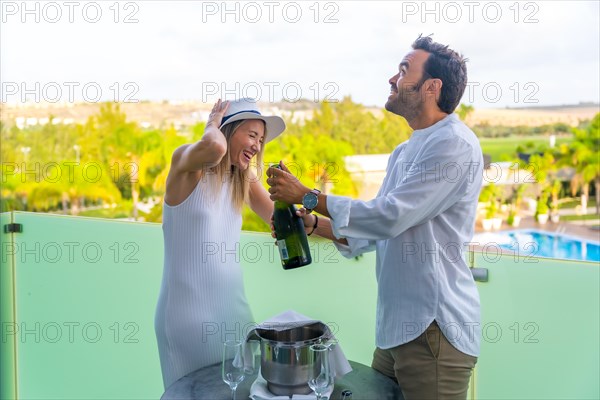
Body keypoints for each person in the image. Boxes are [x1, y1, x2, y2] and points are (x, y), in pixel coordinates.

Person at [267, 36, 483, 399]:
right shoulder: (404, 151)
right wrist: (314, 224)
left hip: (434, 333)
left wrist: (307, 195)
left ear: (432, 87)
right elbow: (375, 232)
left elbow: (390, 217)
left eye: (403, 70)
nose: (392, 79)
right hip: (397, 332)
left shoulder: (454, 145)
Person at [154, 98, 288, 389]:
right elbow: (214, 148)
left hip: (234, 312)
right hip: (188, 318)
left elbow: (278, 220)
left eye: (261, 139)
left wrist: (305, 205)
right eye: (251, 135)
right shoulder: (186, 165)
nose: (257, 145)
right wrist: (212, 122)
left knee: (246, 392)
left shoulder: (243, 178)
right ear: (229, 131)